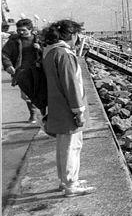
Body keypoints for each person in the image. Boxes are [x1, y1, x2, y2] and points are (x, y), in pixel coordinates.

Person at [42, 19, 95, 197]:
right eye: (77, 35)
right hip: (67, 110)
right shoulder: (64, 55)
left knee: (65, 146)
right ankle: (70, 184)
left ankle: (67, 179)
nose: (78, 39)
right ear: (72, 35)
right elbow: (72, 85)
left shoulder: (50, 52)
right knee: (71, 147)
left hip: (57, 107)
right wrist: (79, 111)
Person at [2, 18, 43, 123]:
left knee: (40, 92)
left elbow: (49, 52)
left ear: (30, 29)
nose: (20, 32)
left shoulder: (39, 40)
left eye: (23, 30)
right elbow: (5, 54)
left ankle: (43, 112)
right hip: (22, 72)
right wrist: (8, 65)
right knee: (26, 94)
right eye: (19, 30)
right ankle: (33, 113)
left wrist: (40, 48)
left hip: (38, 71)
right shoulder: (14, 41)